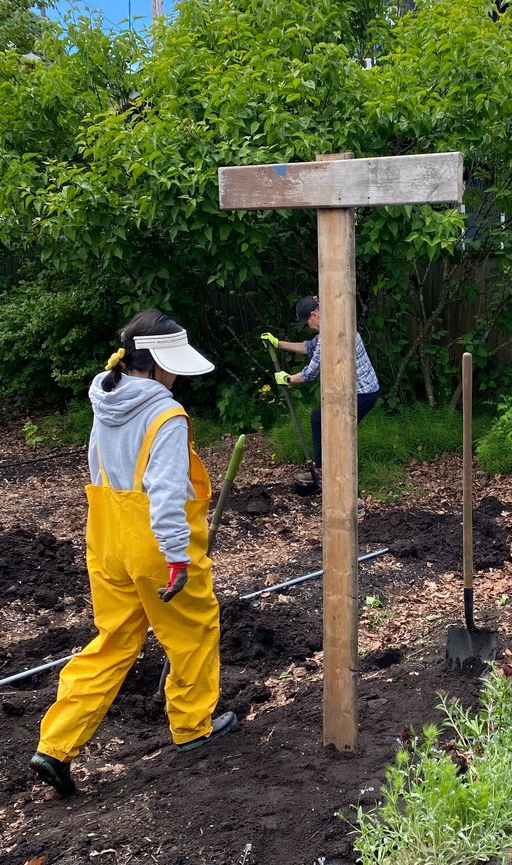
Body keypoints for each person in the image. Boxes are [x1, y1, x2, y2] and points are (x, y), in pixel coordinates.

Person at [29, 310, 236, 799]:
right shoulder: (166, 414)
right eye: (176, 367)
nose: (179, 377)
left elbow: (98, 466)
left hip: (106, 537)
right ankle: (192, 728)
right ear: (161, 364)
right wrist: (177, 557)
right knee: (193, 633)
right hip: (153, 546)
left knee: (113, 640)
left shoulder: (106, 400)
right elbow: (164, 490)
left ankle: (55, 745)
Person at [262, 295, 380, 474]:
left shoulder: (330, 334)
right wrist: (278, 344)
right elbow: (309, 347)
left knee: (338, 434)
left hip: (362, 394)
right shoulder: (334, 320)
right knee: (321, 420)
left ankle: (333, 479)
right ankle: (324, 471)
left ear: (314, 314)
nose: (308, 327)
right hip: (358, 391)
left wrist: (287, 379)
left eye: (307, 322)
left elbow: (311, 372)